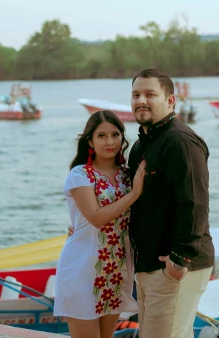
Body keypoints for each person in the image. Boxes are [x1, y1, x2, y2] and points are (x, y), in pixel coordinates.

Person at [127, 68, 215, 338]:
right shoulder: (142, 145)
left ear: (170, 101)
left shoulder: (179, 140)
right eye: (136, 95)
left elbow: (195, 203)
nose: (141, 100)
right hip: (149, 265)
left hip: (175, 265)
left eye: (150, 94)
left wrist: (179, 258)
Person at [54, 110, 147, 338]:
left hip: (114, 272)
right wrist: (134, 193)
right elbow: (96, 218)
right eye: (102, 136)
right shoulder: (80, 175)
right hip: (82, 270)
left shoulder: (127, 175)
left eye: (115, 135)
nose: (110, 142)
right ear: (90, 141)